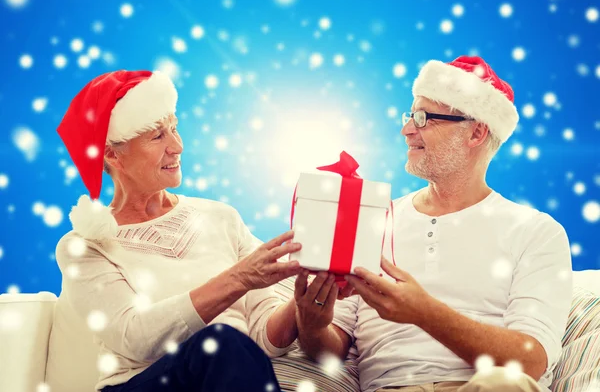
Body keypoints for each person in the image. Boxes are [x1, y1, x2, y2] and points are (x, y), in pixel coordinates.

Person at [294, 56, 573, 392]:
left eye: (424, 117)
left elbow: (529, 363)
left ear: (476, 132)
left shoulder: (536, 232)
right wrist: (312, 326)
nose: (407, 129)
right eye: (410, 116)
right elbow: (331, 349)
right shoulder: (374, 219)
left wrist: (424, 312)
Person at [55, 70, 301, 392]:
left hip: (226, 378)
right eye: (157, 136)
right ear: (113, 154)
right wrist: (238, 278)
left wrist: (304, 302)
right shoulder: (84, 246)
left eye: (174, 127)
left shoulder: (221, 217)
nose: (177, 145)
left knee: (226, 347)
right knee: (219, 343)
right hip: (140, 385)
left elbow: (266, 339)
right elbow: (134, 337)